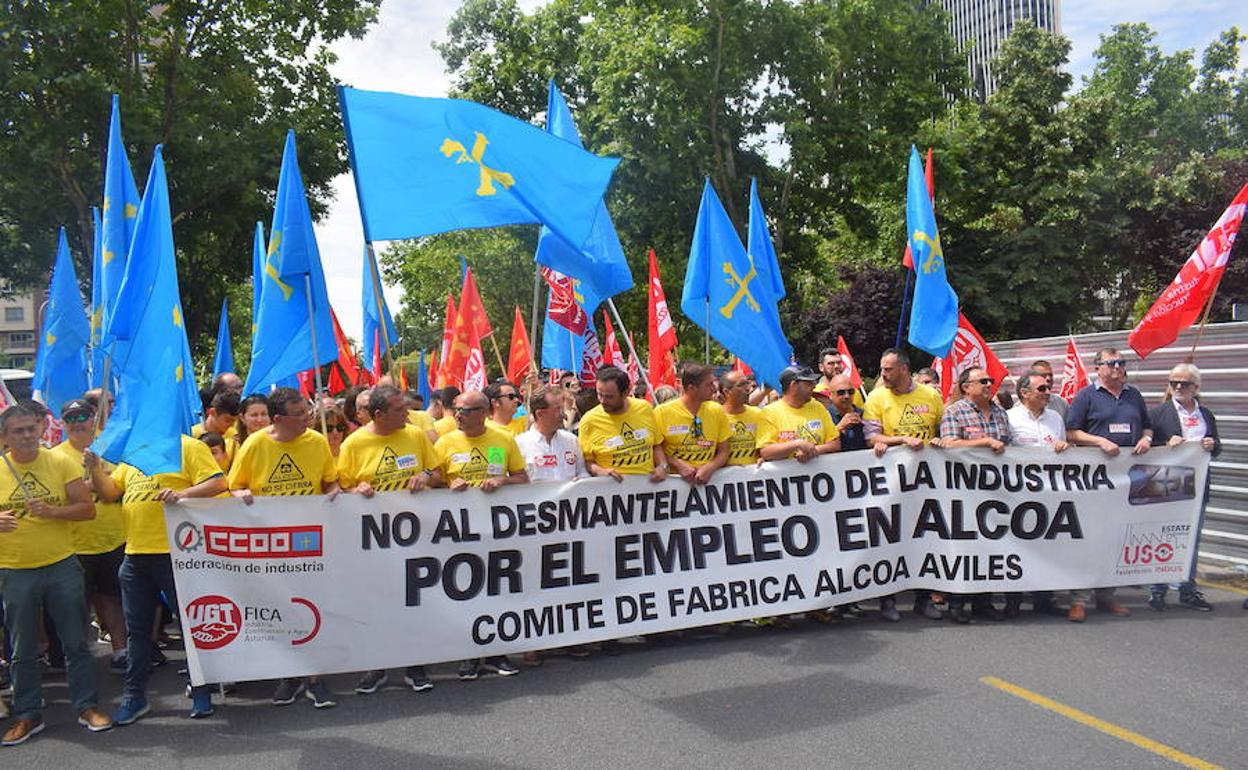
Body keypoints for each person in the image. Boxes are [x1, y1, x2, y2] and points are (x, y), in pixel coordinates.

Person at [87, 431, 226, 724]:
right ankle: (134, 697)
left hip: (176, 555)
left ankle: (201, 692)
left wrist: (183, 494)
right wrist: (94, 467)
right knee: (137, 633)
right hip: (135, 556)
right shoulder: (137, 451)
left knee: (191, 628)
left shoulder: (189, 446)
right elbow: (111, 492)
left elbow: (218, 482)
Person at [0, 403, 113, 746]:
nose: (27, 436)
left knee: (75, 642)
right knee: (22, 648)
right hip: (15, 569)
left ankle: (86, 706)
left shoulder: (60, 462)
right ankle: (28, 713)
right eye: (18, 431)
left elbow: (88, 509)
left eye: (32, 428)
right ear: (5, 437)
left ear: (41, 428)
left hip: (61, 564)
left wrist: (52, 511)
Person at [229, 388, 341, 708]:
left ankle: (315, 678)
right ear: (278, 419)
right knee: (280, 608)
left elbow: (330, 480)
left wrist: (334, 492)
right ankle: (287, 676)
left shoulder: (317, 441)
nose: (307, 418)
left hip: (310, 540)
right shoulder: (255, 444)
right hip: (271, 543)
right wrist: (241, 496)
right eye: (300, 414)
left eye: (307, 411)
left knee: (315, 607)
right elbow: (234, 486)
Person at [338, 385, 442, 694]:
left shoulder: (413, 435)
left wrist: (425, 477)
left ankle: (416, 665)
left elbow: (436, 471)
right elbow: (339, 487)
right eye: (399, 410)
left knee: (415, 600)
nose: (407, 414)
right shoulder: (354, 444)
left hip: (415, 537)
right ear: (379, 414)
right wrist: (355, 491)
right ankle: (377, 667)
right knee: (377, 603)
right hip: (374, 541)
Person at [435, 390, 527, 680]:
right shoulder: (445, 442)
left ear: (484, 412)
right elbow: (432, 480)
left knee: (495, 590)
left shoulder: (502, 440)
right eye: (457, 409)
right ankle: (469, 655)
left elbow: (522, 478)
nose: (458, 415)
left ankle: (497, 651)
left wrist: (502, 479)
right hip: (459, 533)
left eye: (465, 410)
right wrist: (449, 484)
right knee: (465, 591)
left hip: (497, 531)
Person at [1065, 347, 1151, 621]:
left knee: (1116, 538)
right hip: (1096, 479)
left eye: (1121, 363)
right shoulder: (1086, 396)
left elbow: (1147, 427)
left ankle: (1106, 595)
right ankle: (1079, 598)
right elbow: (1071, 431)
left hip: (1128, 479)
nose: (1117, 367)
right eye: (1111, 363)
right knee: (1089, 537)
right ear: (1098, 368)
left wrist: (1146, 439)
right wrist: (1099, 441)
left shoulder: (1133, 395)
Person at [863, 348, 945, 622]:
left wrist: (938, 441)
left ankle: (924, 599)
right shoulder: (876, 397)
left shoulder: (931, 395)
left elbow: (942, 430)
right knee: (891, 538)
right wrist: (901, 441)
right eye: (882, 369)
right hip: (893, 483)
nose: (883, 374)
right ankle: (888, 600)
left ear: (904, 369)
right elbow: (871, 437)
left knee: (927, 537)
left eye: (888, 369)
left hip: (927, 481)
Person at [52, 400, 127, 672]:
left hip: (113, 537)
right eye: (70, 417)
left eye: (82, 416)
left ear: (93, 419)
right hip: (75, 544)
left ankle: (121, 651)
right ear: (62, 423)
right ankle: (80, 658)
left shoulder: (110, 447)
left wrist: (95, 475)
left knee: (113, 600)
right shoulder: (55, 457)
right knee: (76, 606)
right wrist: (95, 480)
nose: (77, 422)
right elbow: (61, 497)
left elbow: (115, 490)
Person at [934, 367, 1014, 623]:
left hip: (994, 491)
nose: (990, 385)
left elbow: (1010, 446)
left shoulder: (1000, 412)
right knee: (963, 547)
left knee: (990, 546)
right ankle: (956, 603)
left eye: (990, 381)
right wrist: (984, 443)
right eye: (983, 381)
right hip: (964, 491)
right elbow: (949, 445)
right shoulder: (954, 412)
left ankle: (983, 602)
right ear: (967, 386)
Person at [1147, 363, 1218, 612]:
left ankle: (1187, 589)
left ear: (1196, 387)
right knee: (1161, 536)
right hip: (1167, 485)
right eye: (1173, 382)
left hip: (1197, 487)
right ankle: (1157, 589)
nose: (1178, 387)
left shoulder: (1206, 414)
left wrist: (1211, 443)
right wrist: (1165, 443)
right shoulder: (1158, 414)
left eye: (1184, 383)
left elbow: (1217, 448)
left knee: (1191, 540)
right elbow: (1145, 448)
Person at [1008, 370, 1070, 617]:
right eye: (1042, 389)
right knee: (1017, 547)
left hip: (1048, 495)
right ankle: (1013, 601)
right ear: (1024, 393)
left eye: (1048, 388)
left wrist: (1064, 447)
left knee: (1047, 547)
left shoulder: (1055, 418)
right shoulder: (1010, 417)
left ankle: (1044, 599)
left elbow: (1065, 447)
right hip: (1018, 494)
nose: (1048, 393)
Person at [579, 366, 669, 482]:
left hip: (648, 490)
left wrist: (662, 466)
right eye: (599, 394)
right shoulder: (589, 421)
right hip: (612, 492)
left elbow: (656, 445)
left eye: (609, 397)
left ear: (626, 392)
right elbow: (586, 462)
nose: (602, 401)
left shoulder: (644, 408)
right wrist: (600, 471)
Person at [654, 363, 730, 485]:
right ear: (691, 388)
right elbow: (655, 448)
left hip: (708, 486)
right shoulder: (662, 412)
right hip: (672, 487)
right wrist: (677, 464)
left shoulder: (716, 410)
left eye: (714, 383)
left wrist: (710, 467)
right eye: (709, 384)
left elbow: (724, 451)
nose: (714, 389)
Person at [757, 365, 841, 462]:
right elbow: (765, 452)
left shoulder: (818, 407)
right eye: (808, 383)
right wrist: (797, 445)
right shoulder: (769, 413)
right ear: (793, 385)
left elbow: (835, 444)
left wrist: (813, 451)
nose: (814, 386)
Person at [516, 387, 586, 483]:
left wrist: (581, 480)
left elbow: (582, 471)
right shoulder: (519, 445)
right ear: (540, 414)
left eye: (563, 408)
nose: (563, 414)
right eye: (557, 410)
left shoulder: (571, 441)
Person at [719, 370, 763, 466]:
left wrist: (763, 458)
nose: (748, 388)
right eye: (741, 385)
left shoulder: (758, 414)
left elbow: (763, 446)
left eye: (747, 383)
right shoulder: (716, 417)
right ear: (727, 392)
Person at [191, 391, 240, 469]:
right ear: (212, 412)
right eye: (228, 420)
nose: (232, 425)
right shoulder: (191, 436)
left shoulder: (234, 436)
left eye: (234, 421)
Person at [826, 374, 866, 452]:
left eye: (851, 391)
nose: (847, 396)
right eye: (841, 392)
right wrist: (839, 428)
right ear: (830, 395)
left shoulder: (864, 415)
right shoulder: (824, 416)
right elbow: (820, 444)